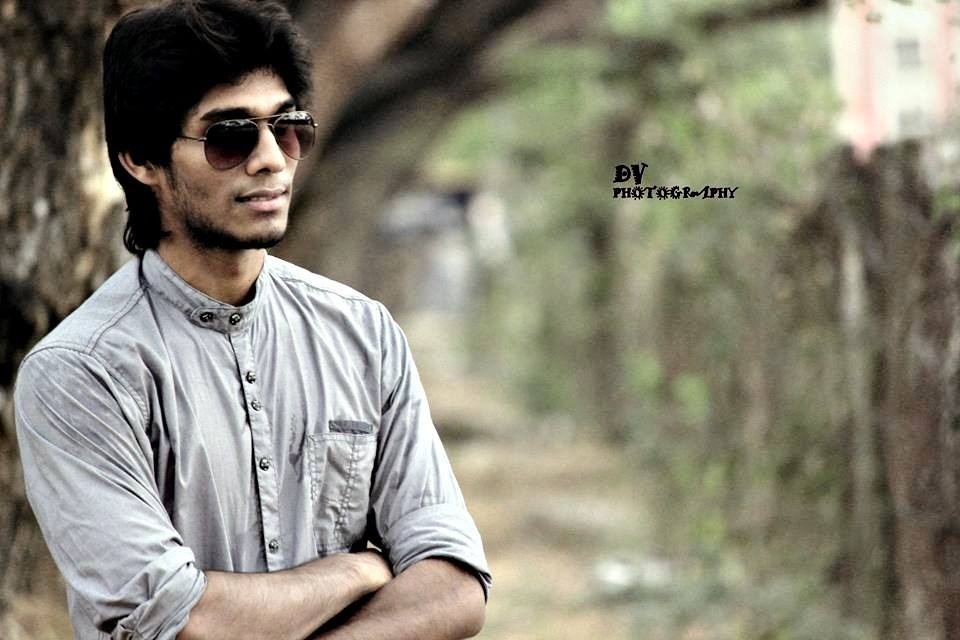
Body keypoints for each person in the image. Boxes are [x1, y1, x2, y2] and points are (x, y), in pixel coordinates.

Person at [13, 1, 491, 638]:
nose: (271, 159)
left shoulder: (363, 334)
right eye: (230, 137)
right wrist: (357, 570)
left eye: (288, 128)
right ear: (141, 160)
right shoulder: (80, 374)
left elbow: (455, 585)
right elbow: (185, 619)